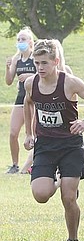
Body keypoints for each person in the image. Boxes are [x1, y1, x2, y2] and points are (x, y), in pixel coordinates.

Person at [23, 39, 84, 241]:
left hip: (71, 145)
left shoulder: (69, 82)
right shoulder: (30, 83)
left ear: (55, 61)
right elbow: (28, 103)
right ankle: (61, 180)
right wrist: (28, 133)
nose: (40, 68)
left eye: (44, 63)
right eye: (37, 63)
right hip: (45, 145)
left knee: (69, 198)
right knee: (41, 195)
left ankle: (73, 239)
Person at [5, 27, 36, 174]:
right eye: (18, 40)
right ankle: (15, 164)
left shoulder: (35, 57)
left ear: (30, 41)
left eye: (23, 39)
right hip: (20, 98)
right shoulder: (17, 59)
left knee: (36, 133)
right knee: (13, 133)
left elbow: (43, 75)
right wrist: (7, 67)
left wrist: (29, 75)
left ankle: (35, 164)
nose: (20, 42)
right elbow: (9, 81)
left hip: (35, 99)